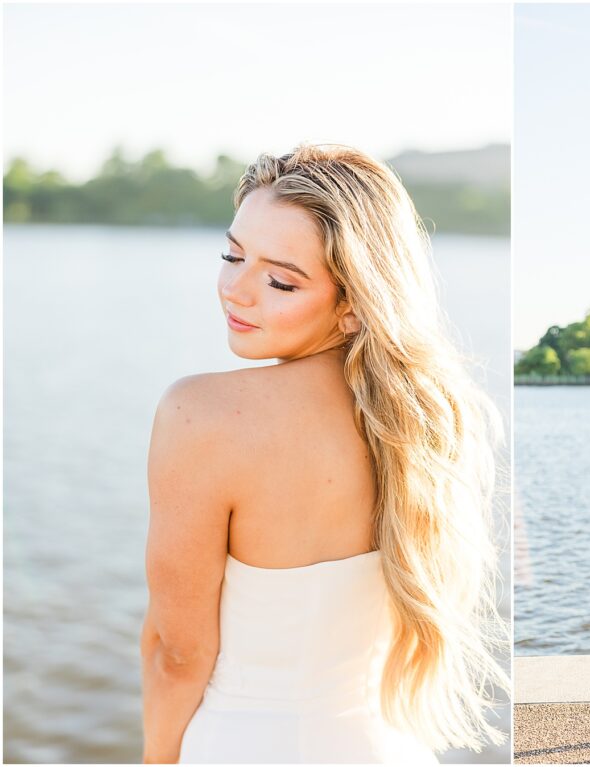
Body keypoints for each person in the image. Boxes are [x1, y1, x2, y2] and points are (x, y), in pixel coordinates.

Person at [139, 145, 508, 763]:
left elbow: (177, 654)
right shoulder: (425, 422)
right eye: (233, 254)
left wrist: (155, 760)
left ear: (355, 307)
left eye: (280, 279)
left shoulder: (200, 414)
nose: (236, 288)